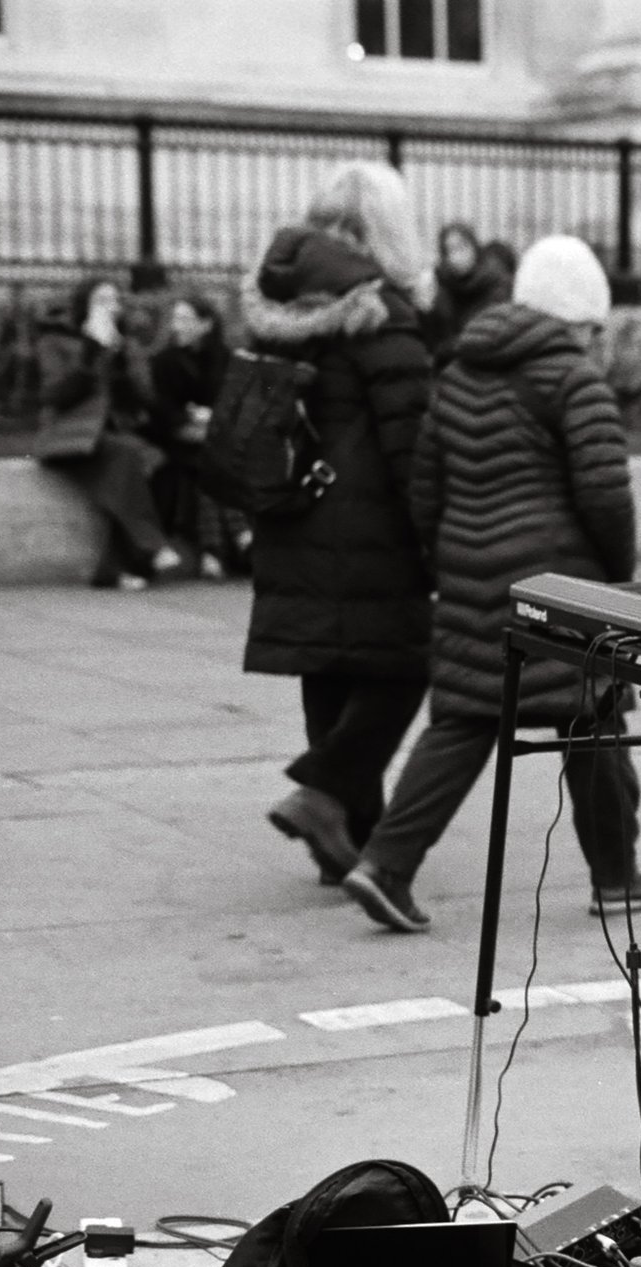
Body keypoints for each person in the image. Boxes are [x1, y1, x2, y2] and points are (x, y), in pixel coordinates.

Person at [343, 237, 641, 933]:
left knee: (461, 721)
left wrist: (449, 562)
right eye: (596, 328)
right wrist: (616, 573)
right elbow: (605, 494)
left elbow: (426, 488)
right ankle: (615, 875)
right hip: (562, 582)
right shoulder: (573, 379)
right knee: (593, 716)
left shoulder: (459, 374)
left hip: (470, 576)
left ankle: (385, 863)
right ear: (580, 320)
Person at [241, 161, 435, 887]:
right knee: (404, 664)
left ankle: (346, 837)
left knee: (330, 666)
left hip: (291, 515)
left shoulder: (279, 303)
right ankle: (322, 795)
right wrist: (435, 539)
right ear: (389, 229)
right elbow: (410, 445)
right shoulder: (378, 311)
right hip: (368, 527)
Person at [32, 275, 185, 590]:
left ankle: (112, 569)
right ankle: (152, 546)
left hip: (112, 438)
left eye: (114, 300)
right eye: (100, 300)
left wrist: (119, 360)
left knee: (158, 466)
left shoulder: (125, 345)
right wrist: (90, 349)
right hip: (69, 437)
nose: (109, 307)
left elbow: (144, 398)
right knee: (129, 458)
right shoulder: (55, 341)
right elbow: (55, 396)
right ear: (84, 305)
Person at [144, 293, 243, 579]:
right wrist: (192, 417)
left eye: (186, 319)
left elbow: (233, 402)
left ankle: (213, 554)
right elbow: (162, 409)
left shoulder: (224, 359)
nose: (178, 326)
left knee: (211, 467)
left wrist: (208, 416)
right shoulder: (164, 360)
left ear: (206, 324)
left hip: (212, 440)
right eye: (176, 319)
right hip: (176, 438)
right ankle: (241, 535)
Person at [425, 221, 514, 368]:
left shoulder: (496, 283)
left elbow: (488, 335)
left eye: (462, 247)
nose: (455, 257)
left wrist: (443, 349)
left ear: (474, 247)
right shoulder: (440, 284)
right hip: (447, 370)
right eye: (448, 251)